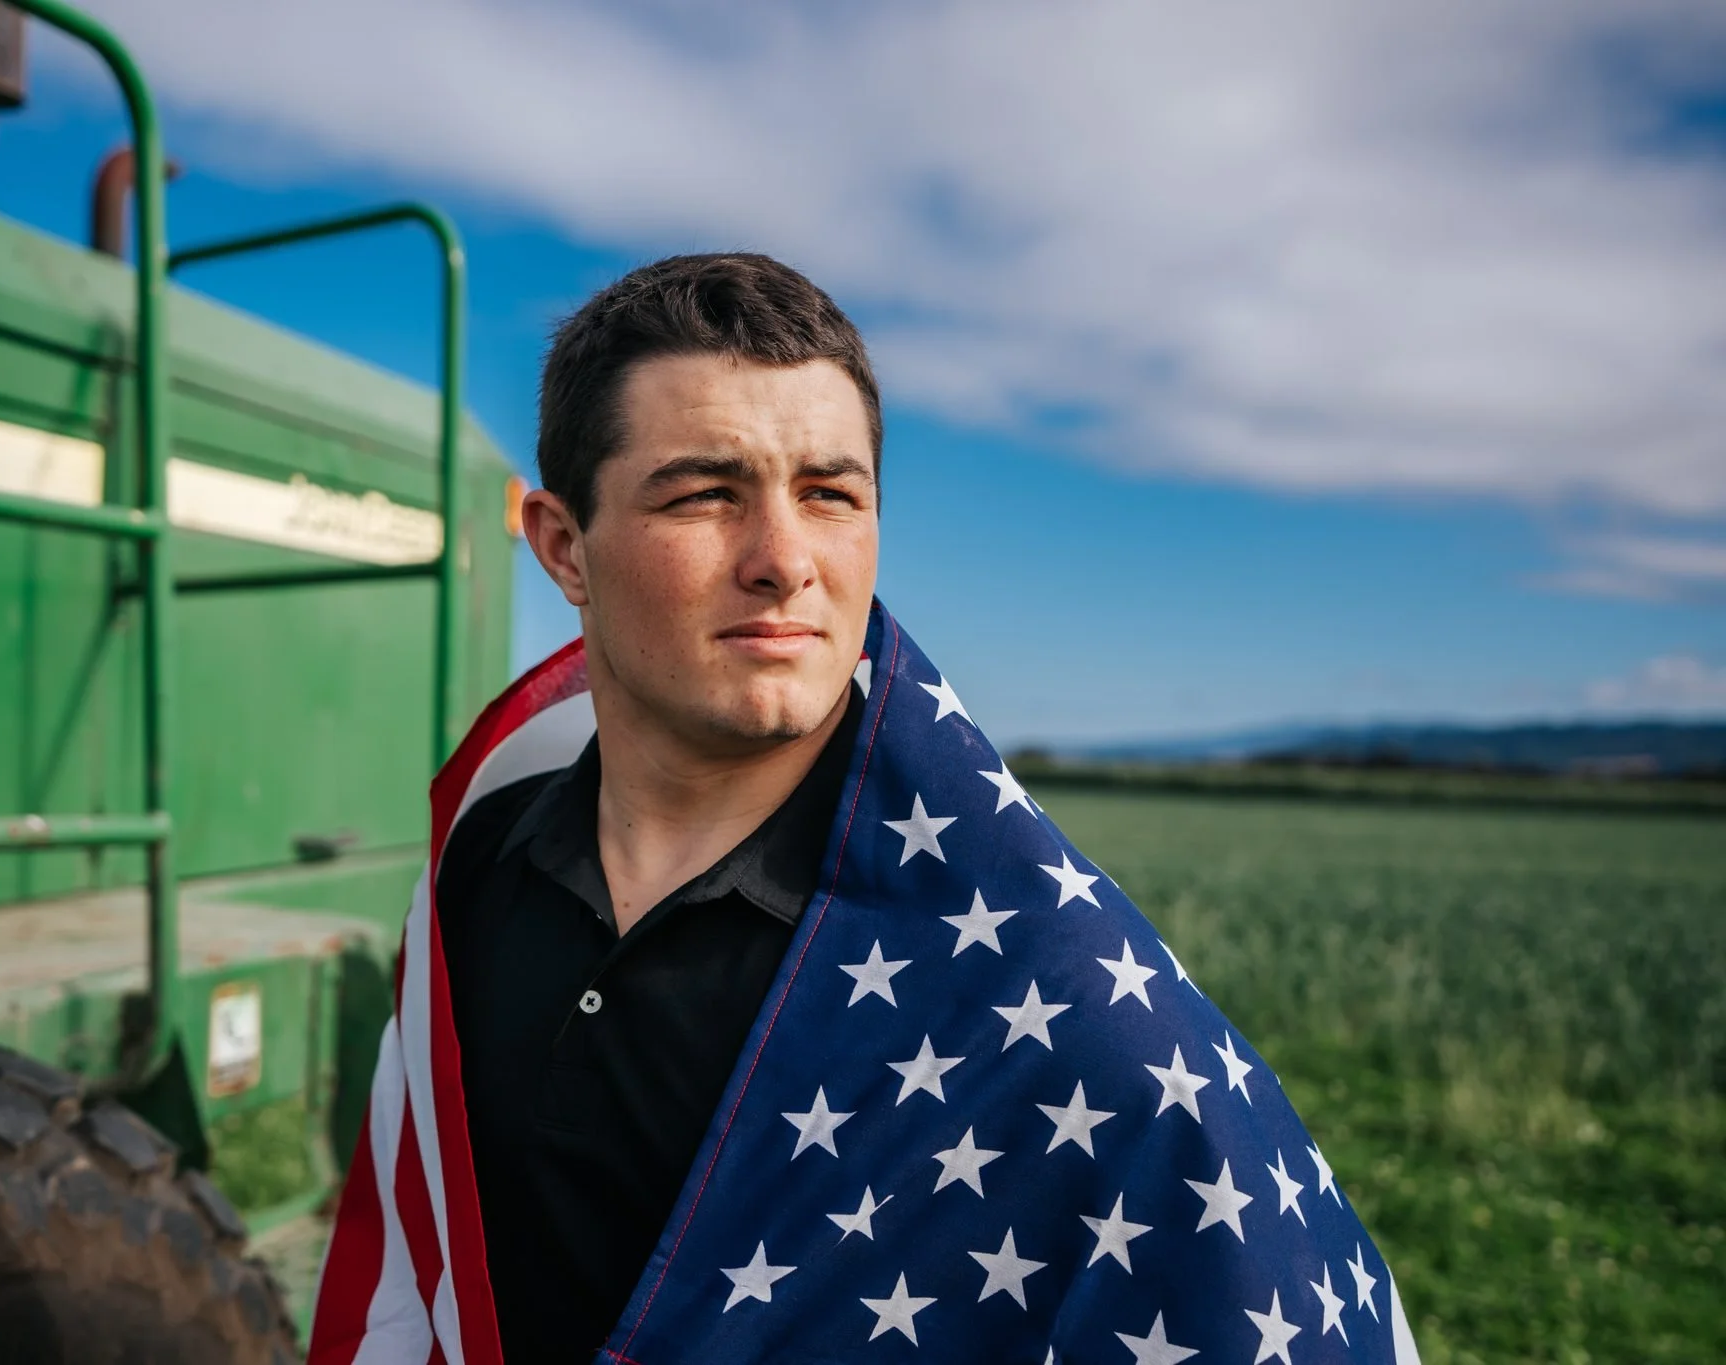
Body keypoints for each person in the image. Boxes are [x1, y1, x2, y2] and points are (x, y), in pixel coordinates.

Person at [308, 254, 1419, 1365]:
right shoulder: (479, 860)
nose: (784, 562)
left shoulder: (1060, 1007)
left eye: (829, 495)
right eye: (704, 492)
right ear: (562, 547)